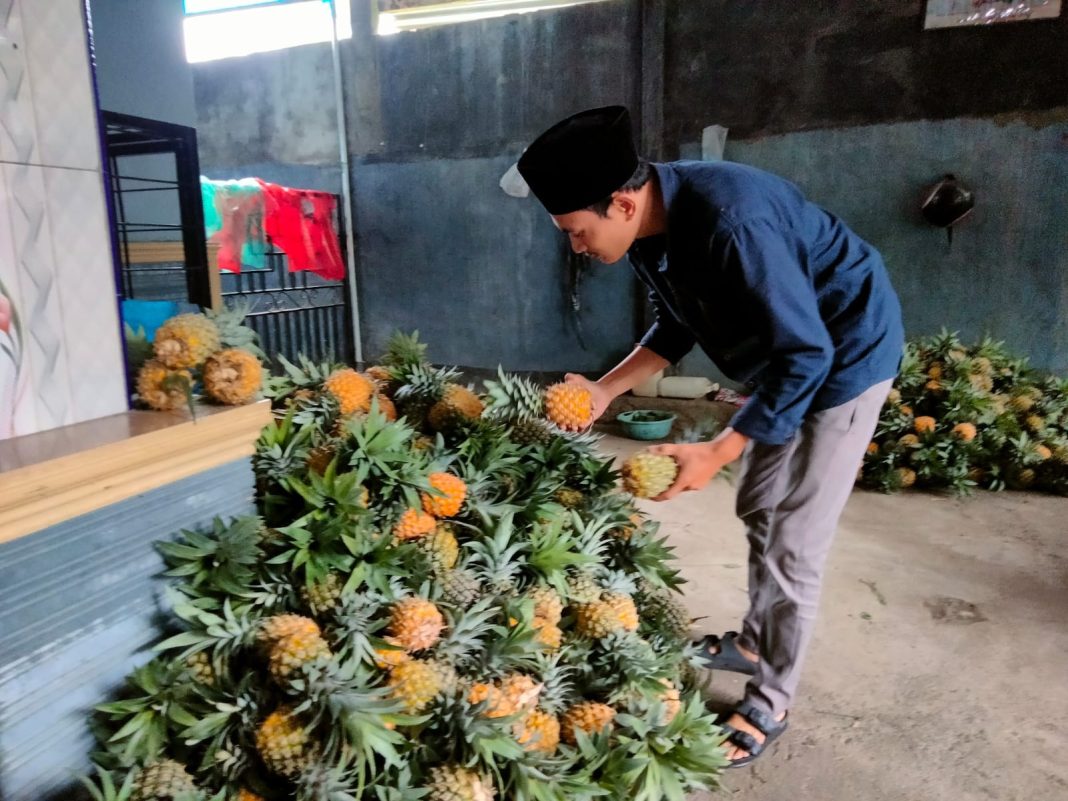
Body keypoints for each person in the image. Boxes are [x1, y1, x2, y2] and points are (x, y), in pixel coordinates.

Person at [516, 106, 904, 767]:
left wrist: (718, 446)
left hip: (842, 356)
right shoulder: (647, 230)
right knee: (759, 501)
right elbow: (676, 324)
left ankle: (770, 698)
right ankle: (756, 640)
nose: (576, 247)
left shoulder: (732, 220)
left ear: (622, 200)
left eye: (578, 232)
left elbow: (806, 355)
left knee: (794, 542)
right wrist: (606, 389)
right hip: (786, 354)